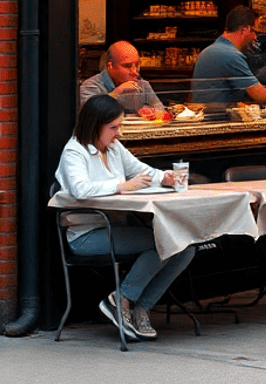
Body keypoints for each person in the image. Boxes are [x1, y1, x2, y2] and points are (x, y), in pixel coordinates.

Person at [55, 94, 192, 341]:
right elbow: (80, 189)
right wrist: (123, 185)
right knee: (162, 242)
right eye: (113, 127)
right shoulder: (74, 151)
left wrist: (164, 177)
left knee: (185, 247)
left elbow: (140, 169)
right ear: (95, 125)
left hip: (115, 228)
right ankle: (121, 300)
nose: (118, 133)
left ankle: (140, 308)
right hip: (86, 235)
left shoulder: (114, 147)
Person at [190, 6, 266, 107]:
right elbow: (261, 96)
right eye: (254, 31)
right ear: (245, 29)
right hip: (218, 121)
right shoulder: (229, 55)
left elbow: (243, 89)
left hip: (209, 117)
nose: (255, 37)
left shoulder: (211, 50)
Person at [79, 41, 162, 111]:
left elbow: (162, 112)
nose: (135, 72)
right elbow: (90, 115)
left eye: (137, 65)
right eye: (127, 66)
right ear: (110, 66)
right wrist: (117, 92)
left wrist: (152, 112)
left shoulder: (142, 85)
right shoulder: (90, 86)